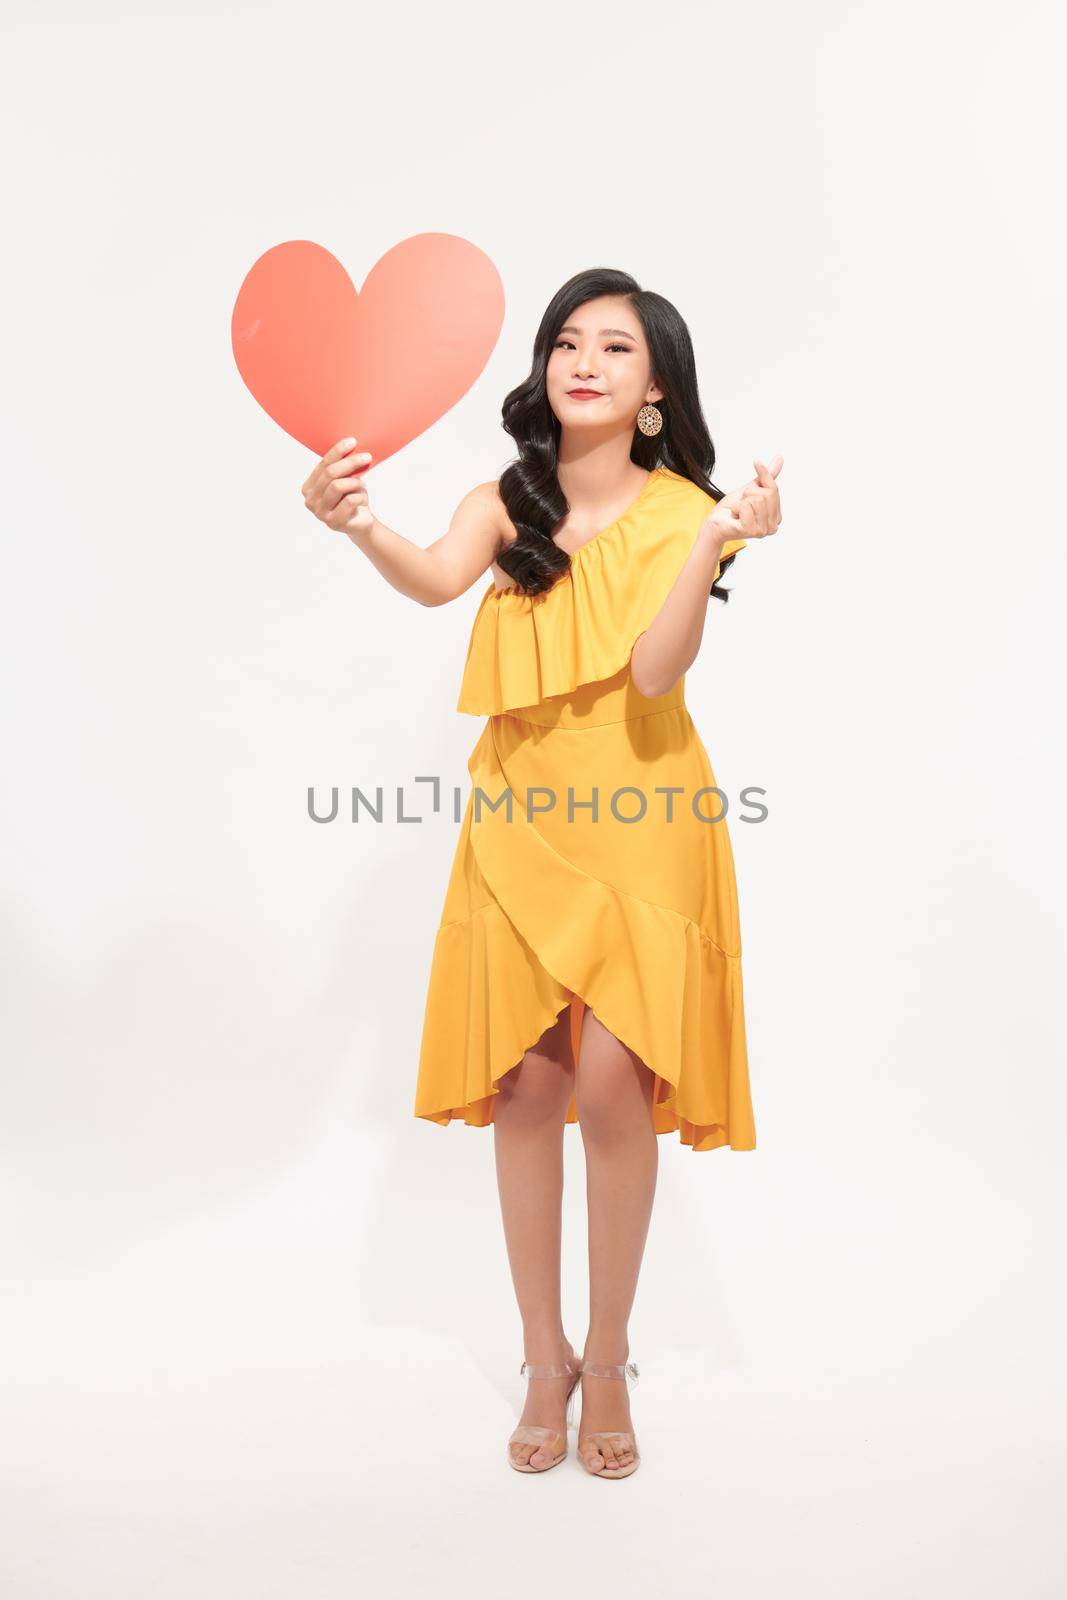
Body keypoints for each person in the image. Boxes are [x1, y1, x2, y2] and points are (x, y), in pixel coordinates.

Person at [301, 267, 782, 1480]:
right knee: (524, 1083)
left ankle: (610, 1355)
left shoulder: (687, 512)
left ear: (655, 387)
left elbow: (659, 673)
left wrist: (718, 539)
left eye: (614, 348)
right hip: (521, 814)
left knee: (616, 1085)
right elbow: (427, 575)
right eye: (567, 341)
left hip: (643, 814)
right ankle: (541, 1352)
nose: (583, 363)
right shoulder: (502, 500)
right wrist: (360, 525)